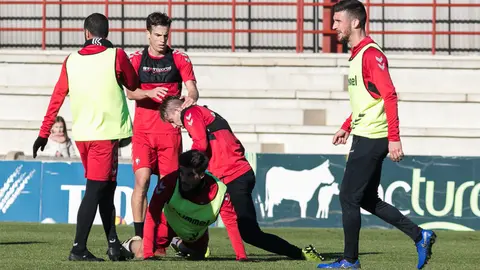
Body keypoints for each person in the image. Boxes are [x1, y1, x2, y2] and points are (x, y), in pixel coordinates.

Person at [317, 1, 436, 269]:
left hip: (373, 137)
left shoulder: (370, 54)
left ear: (355, 22)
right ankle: (421, 236)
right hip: (364, 133)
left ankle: (350, 261)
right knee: (367, 199)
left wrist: (395, 137)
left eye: (337, 21)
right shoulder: (358, 55)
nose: (333, 26)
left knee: (348, 197)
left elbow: (389, 95)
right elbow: (367, 100)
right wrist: (347, 125)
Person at [159, 96, 325, 262]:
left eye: (171, 120)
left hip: (233, 175)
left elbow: (201, 145)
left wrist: (186, 166)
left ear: (176, 111)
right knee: (197, 208)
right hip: (231, 174)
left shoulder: (190, 112)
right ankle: (194, 248)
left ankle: (301, 253)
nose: (174, 126)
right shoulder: (202, 113)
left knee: (250, 233)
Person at [32, 13, 139, 262]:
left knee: (106, 189)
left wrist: (44, 132)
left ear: (86, 33)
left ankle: (113, 244)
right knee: (95, 190)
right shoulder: (116, 55)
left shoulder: (71, 60)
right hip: (106, 135)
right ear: (107, 33)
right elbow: (132, 83)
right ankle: (78, 248)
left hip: (82, 136)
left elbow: (57, 97)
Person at [127, 11, 199, 239]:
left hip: (170, 134)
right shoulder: (136, 60)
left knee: (170, 188)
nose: (162, 40)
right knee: (142, 181)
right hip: (143, 134)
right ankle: (140, 235)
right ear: (147, 34)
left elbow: (193, 89)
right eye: (157, 35)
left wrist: (191, 98)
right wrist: (149, 92)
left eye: (165, 36)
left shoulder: (179, 58)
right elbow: (130, 92)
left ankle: (167, 235)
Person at [122, 150, 247, 261]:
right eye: (181, 172)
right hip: (168, 224)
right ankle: (130, 243)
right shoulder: (169, 182)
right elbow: (152, 213)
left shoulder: (220, 192)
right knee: (142, 252)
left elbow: (231, 224)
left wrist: (241, 256)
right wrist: (148, 254)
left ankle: (178, 243)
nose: (183, 179)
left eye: (190, 175)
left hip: (195, 231)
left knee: (198, 257)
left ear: (202, 175)